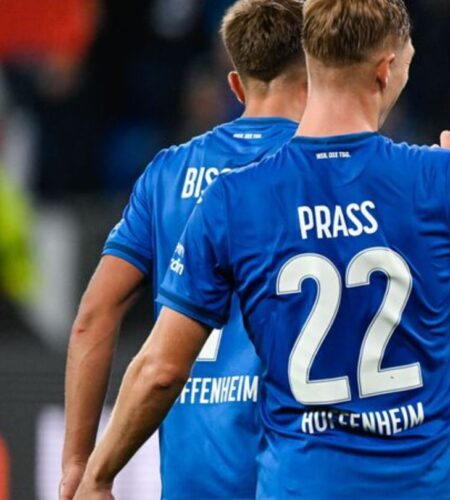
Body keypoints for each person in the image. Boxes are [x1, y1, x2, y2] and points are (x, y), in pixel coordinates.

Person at [71, 0, 450, 497]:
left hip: (306, 484)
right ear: (386, 68)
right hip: (429, 487)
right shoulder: (444, 177)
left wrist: (97, 473)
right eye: (407, 57)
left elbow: (161, 369)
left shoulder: (232, 199)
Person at [60, 1, 308, 498]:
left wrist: (78, 464)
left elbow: (95, 313)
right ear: (315, 69)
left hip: (194, 474)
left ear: (236, 85)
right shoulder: (330, 169)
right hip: (295, 469)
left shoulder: (169, 174)